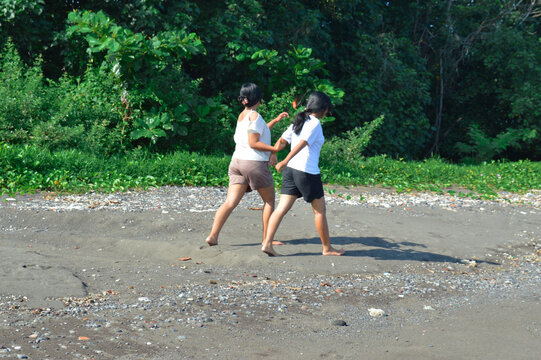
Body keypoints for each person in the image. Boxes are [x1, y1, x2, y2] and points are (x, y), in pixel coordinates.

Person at [261, 91, 345, 256]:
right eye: (328, 110)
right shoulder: (314, 124)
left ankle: (267, 243)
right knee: (320, 211)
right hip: (307, 172)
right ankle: (327, 248)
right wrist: (283, 160)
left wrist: (274, 153)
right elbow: (303, 144)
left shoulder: (298, 121)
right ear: (324, 109)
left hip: (292, 171)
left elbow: (283, 140)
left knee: (281, 208)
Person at [205, 83, 289, 247]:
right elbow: (253, 142)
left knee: (230, 202)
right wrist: (274, 149)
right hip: (254, 163)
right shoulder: (255, 116)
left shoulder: (243, 115)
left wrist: (275, 120)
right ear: (258, 99)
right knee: (270, 201)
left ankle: (213, 236)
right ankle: (267, 240)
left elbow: (259, 131)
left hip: (237, 162)